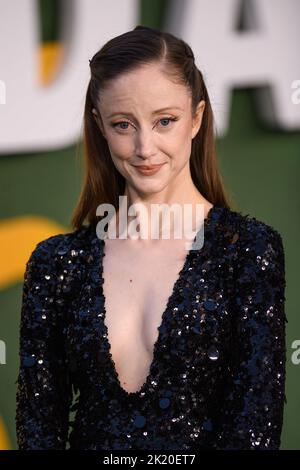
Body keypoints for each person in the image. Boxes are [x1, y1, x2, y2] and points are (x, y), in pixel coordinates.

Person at [15, 25, 287, 450]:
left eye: (165, 121)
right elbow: (38, 427)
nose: (145, 147)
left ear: (195, 119)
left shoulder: (248, 251)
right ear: (99, 126)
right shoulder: (57, 263)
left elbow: (254, 427)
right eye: (124, 124)